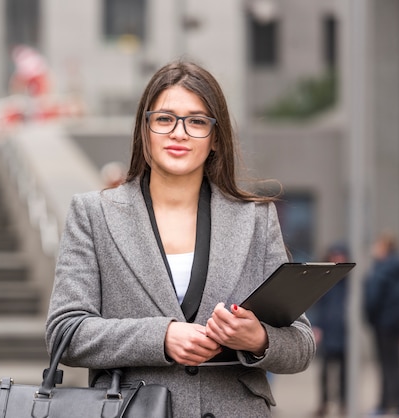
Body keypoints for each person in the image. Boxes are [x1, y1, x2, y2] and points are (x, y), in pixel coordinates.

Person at [45, 60, 315, 417]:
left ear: (215, 138)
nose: (179, 132)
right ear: (145, 129)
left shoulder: (255, 218)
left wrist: (258, 339)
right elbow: (66, 331)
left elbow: (302, 343)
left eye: (197, 121)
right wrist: (161, 337)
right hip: (130, 409)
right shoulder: (93, 214)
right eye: (164, 118)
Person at [364, 232, 399, 416]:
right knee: (395, 365)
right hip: (396, 324)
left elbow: (373, 299)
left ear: (384, 247)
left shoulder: (381, 270)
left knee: (385, 366)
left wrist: (370, 318)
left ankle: (385, 405)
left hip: (382, 324)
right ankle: (398, 405)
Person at [310, 242, 350, 417]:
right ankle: (324, 403)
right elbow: (318, 306)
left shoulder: (350, 282)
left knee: (344, 373)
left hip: (344, 332)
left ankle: (344, 404)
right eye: (335, 256)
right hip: (328, 331)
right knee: (325, 373)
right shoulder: (325, 279)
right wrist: (317, 326)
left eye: (340, 256)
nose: (338, 259)